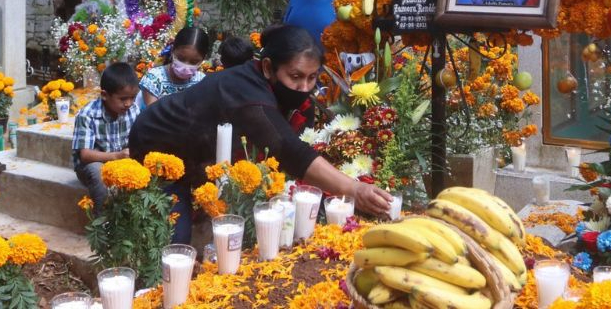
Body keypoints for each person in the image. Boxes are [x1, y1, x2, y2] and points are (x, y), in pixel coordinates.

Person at [128, 25, 392, 244]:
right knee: (175, 239)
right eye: (295, 76)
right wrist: (353, 189)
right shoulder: (248, 95)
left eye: (312, 78)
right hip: (157, 147)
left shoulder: (278, 91)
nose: (304, 87)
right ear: (268, 68)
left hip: (198, 153)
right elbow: (289, 150)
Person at [72, 62, 141, 208]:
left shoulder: (133, 110)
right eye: (123, 99)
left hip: (122, 160)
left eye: (133, 98)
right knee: (97, 172)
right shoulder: (87, 115)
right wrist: (116, 156)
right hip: (94, 164)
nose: (128, 103)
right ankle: (103, 222)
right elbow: (85, 155)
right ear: (104, 95)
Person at [140, 27, 211, 107]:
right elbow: (153, 115)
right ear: (173, 50)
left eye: (193, 62)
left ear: (203, 59)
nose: (186, 67)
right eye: (181, 58)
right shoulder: (153, 79)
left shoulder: (201, 82)